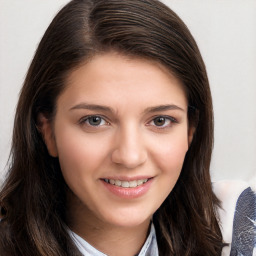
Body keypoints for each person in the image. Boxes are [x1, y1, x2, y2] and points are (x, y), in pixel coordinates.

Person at [0, 0, 255, 255]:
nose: (130, 157)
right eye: (95, 120)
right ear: (47, 130)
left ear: (191, 130)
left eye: (160, 120)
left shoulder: (238, 226)